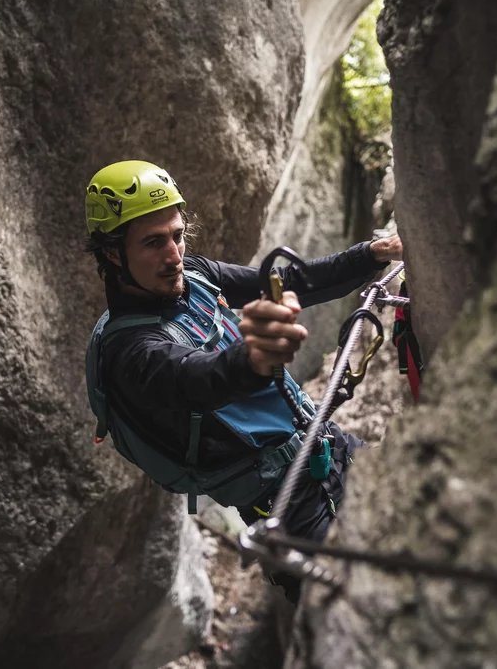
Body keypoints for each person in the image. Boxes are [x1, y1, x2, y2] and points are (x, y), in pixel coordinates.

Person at [84, 160, 403, 602]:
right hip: (284, 505)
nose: (173, 255)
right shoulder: (129, 353)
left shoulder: (194, 276)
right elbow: (199, 379)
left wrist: (372, 254)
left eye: (177, 235)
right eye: (153, 243)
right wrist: (254, 355)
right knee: (363, 608)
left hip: (325, 446)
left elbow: (286, 282)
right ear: (113, 253)